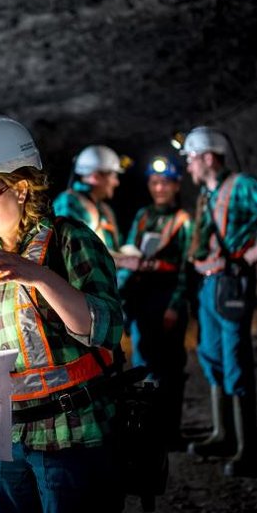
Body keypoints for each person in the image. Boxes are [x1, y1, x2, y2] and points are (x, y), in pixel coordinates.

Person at [0, 113, 127, 513]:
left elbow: (107, 327)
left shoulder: (70, 240)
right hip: (8, 438)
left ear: (22, 189)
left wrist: (37, 275)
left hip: (71, 435)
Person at [178, 126, 257, 476]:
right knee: (211, 355)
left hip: (231, 284)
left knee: (235, 360)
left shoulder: (241, 186)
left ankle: (248, 448)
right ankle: (222, 433)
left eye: (191, 159)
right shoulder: (206, 195)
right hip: (208, 285)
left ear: (208, 157)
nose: (188, 166)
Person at [115, 155, 193, 450]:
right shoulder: (144, 215)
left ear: (176, 185)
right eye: (155, 182)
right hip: (141, 298)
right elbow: (131, 251)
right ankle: (149, 430)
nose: (159, 188)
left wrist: (176, 305)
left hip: (166, 299)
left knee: (171, 365)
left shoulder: (184, 221)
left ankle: (171, 431)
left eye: (165, 182)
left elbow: (186, 268)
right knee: (144, 363)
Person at [52, 144, 129, 272]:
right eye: (113, 176)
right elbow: (70, 253)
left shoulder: (104, 209)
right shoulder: (70, 203)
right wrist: (124, 262)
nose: (117, 182)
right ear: (96, 177)